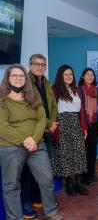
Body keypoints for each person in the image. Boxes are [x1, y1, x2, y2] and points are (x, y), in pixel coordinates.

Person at [0, 64, 62, 220]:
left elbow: (42, 119)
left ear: (25, 79)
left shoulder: (33, 97)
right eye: (15, 76)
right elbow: (3, 127)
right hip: (10, 146)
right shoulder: (2, 101)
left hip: (36, 144)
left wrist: (33, 139)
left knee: (47, 180)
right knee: (11, 186)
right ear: (8, 79)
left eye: (21, 76)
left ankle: (51, 212)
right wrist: (24, 140)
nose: (19, 78)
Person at [20, 54, 58, 219]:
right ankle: (26, 202)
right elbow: (32, 109)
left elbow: (53, 105)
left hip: (47, 131)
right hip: (32, 133)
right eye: (37, 64)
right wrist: (49, 124)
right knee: (27, 172)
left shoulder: (45, 82)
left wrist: (53, 122)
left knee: (42, 171)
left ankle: (37, 197)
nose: (40, 67)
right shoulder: (25, 83)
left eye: (43, 64)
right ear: (30, 65)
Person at [51, 65, 89, 196]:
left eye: (71, 74)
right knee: (66, 155)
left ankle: (78, 183)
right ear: (61, 76)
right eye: (66, 74)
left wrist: (83, 128)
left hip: (76, 124)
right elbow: (51, 110)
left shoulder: (76, 90)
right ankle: (69, 184)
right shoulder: (54, 90)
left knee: (79, 154)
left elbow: (82, 112)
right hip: (62, 124)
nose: (69, 76)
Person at [78, 68, 98, 185]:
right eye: (87, 74)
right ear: (83, 76)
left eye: (92, 75)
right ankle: (85, 177)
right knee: (84, 152)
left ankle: (91, 173)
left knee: (93, 151)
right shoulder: (79, 90)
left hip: (94, 124)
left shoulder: (97, 90)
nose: (90, 77)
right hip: (83, 124)